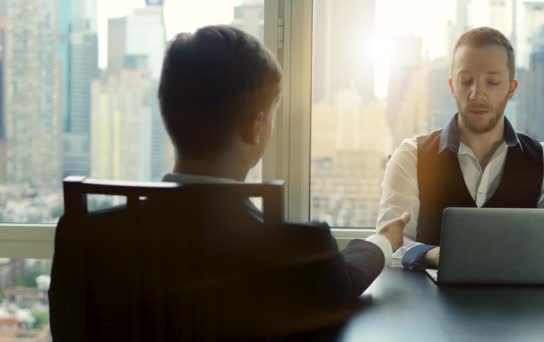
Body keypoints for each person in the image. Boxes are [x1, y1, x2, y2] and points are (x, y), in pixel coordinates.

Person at [157, 25, 407, 336]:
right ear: (256, 128)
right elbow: (343, 280)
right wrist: (383, 240)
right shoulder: (293, 249)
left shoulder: (92, 236)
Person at [377, 27, 544, 269]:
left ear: (511, 89)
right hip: (428, 305)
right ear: (452, 86)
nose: (477, 93)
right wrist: (434, 255)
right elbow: (389, 245)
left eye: (492, 82)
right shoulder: (411, 157)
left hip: (521, 306)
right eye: (466, 81)